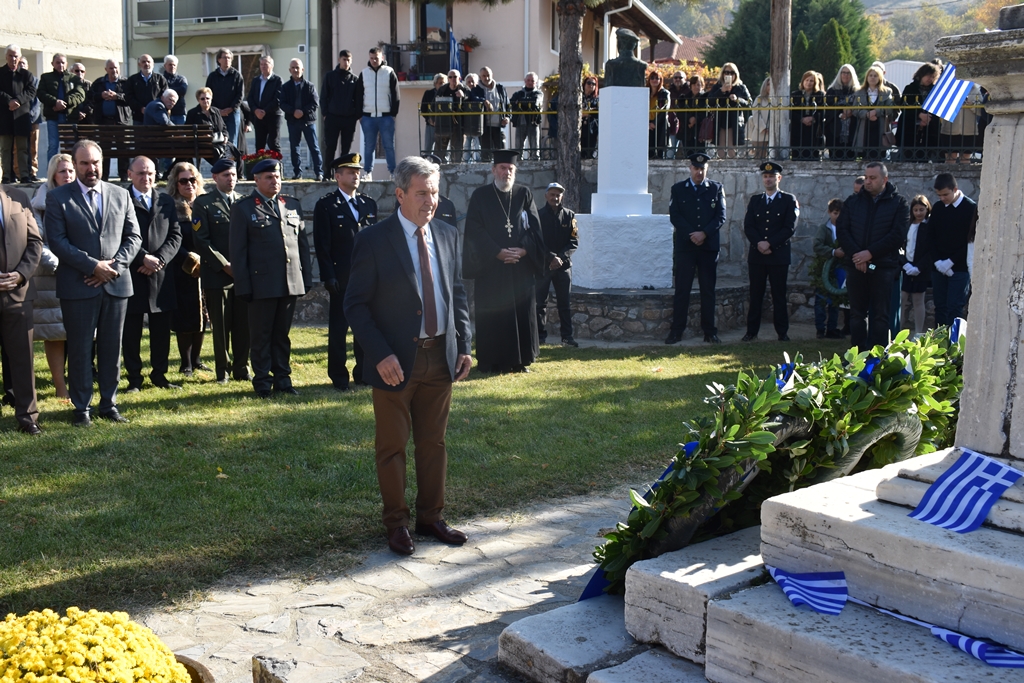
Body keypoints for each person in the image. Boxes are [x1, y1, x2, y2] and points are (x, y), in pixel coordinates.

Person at [343, 155, 472, 556]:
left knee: (434, 444)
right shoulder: (373, 240)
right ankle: (396, 523)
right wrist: (380, 354)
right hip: (395, 363)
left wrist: (465, 345)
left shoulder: (447, 234)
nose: (430, 201)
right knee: (392, 446)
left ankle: (431, 517)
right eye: (421, 193)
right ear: (400, 195)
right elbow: (355, 305)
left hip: (440, 357)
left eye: (434, 192)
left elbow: (457, 293)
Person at [46, 140, 141, 427]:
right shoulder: (58, 197)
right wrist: (92, 266)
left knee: (112, 347)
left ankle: (109, 404)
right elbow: (57, 241)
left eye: (96, 162)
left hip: (116, 284)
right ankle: (81, 408)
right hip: (79, 285)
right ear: (75, 165)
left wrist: (114, 268)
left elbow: (134, 237)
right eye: (85, 163)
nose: (91, 168)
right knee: (80, 348)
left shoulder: (120, 194)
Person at [229, 158, 312, 397]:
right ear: (256, 180)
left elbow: (301, 245)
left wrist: (305, 277)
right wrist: (243, 285)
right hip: (261, 284)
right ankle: (263, 381)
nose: (274, 181)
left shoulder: (291, 205)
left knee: (281, 336)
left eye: (277, 177)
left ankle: (283, 379)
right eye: (268, 177)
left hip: (289, 281)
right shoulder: (244, 208)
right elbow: (238, 251)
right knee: (261, 335)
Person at [462, 150, 544, 373]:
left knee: (520, 312)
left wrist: (524, 250)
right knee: (494, 314)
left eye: (510, 169)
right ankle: (491, 362)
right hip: (491, 269)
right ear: (493, 170)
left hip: (520, 268)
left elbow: (535, 228)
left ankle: (520, 361)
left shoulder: (524, 194)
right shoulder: (480, 196)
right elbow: (474, 230)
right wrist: (497, 252)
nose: (506, 172)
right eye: (502, 168)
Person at [313, 152, 379, 391]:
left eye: (358, 172)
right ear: (338, 176)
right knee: (339, 329)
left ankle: (363, 372)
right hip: (341, 277)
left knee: (366, 326)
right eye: (351, 172)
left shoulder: (368, 204)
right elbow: (322, 246)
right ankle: (339, 377)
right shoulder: (327, 205)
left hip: (367, 278)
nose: (356, 176)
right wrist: (328, 276)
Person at [836, 161, 910, 350]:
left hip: (882, 267)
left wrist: (869, 254)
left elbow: (897, 234)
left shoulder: (899, 203)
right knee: (857, 314)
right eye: (866, 177)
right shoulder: (853, 202)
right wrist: (857, 256)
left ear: (884, 179)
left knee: (880, 315)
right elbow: (843, 230)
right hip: (856, 265)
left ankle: (877, 357)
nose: (867, 182)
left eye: (872, 178)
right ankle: (857, 355)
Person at [122, 156, 182, 391]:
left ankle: (160, 375)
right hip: (132, 273)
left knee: (161, 331)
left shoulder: (165, 201)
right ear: (130, 174)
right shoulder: (121, 199)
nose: (146, 178)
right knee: (131, 331)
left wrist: (159, 260)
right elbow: (119, 235)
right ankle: (134, 378)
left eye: (150, 173)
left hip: (160, 275)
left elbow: (175, 235)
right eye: (140, 173)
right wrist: (142, 258)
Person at [192, 158, 250, 384]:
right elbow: (201, 240)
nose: (231, 179)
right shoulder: (204, 203)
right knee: (221, 326)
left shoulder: (244, 202)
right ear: (215, 177)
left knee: (244, 325)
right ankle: (222, 370)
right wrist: (225, 265)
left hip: (243, 275)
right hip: (217, 275)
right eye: (226, 175)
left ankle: (242, 367)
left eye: (233, 175)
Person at [665, 152, 726, 345]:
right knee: (682, 290)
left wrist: (704, 233)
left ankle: (710, 332)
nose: (699, 172)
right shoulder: (678, 189)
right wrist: (692, 234)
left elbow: (720, 216)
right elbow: (675, 215)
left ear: (707, 169)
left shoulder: (716, 188)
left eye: (702, 169)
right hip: (686, 246)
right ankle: (676, 332)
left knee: (708, 290)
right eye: (696, 168)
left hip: (708, 247)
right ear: (690, 168)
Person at [0, 163, 42, 434]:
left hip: (18, 293)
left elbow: (35, 242)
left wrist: (20, 275)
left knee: (23, 359)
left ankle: (28, 418)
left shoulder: (19, 197)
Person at [30, 153, 73, 400]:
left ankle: (79, 381)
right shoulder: (39, 202)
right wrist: (61, 263)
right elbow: (37, 239)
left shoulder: (81, 196)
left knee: (79, 332)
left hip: (80, 272)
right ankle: (60, 386)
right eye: (62, 171)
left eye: (71, 171)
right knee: (55, 333)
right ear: (52, 175)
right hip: (52, 275)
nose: (68, 175)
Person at [742, 161, 797, 342]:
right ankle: (751, 332)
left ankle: (782, 332)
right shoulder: (755, 200)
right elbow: (749, 226)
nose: (768, 179)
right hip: (757, 255)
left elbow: (789, 227)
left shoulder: (788, 200)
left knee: (779, 295)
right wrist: (759, 243)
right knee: (755, 295)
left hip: (778, 256)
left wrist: (770, 244)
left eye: (771, 176)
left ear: (779, 178)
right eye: (765, 176)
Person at [166, 162, 208, 376]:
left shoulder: (204, 203)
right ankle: (186, 363)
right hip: (181, 267)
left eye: (192, 180)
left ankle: (197, 359)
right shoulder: (170, 207)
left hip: (206, 266)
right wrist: (189, 258)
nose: (188, 184)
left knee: (203, 315)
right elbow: (169, 237)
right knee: (185, 316)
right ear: (176, 183)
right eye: (183, 181)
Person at [928, 173, 976, 326]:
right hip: (938, 267)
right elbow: (930, 237)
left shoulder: (970, 208)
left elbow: (970, 240)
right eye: (939, 195)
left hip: (960, 268)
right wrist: (937, 262)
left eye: (945, 194)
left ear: (955, 189)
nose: (942, 198)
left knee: (955, 307)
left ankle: (954, 341)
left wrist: (951, 262)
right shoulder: (938, 208)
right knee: (940, 307)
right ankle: (940, 341)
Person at [535, 182, 578, 347]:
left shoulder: (570, 216)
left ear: (562, 196)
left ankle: (567, 337)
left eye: (558, 195)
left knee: (564, 304)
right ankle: (540, 337)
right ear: (546, 196)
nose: (555, 197)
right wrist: (551, 257)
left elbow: (573, 242)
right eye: (552, 194)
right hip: (543, 266)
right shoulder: (538, 216)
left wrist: (560, 258)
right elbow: (536, 242)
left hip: (563, 267)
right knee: (540, 303)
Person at [356, 47, 400, 180]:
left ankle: (392, 173)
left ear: (382, 58)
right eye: (372, 58)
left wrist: (393, 114)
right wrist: (360, 115)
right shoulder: (364, 73)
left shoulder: (389, 72)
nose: (374, 60)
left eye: (376, 58)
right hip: (368, 117)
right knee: (369, 146)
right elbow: (358, 95)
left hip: (386, 116)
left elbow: (395, 94)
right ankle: (368, 173)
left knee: (389, 146)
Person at [87, 60, 131, 181]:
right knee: (104, 149)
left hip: (121, 121)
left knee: (123, 149)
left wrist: (117, 96)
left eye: (116, 68)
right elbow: (90, 97)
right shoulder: (98, 82)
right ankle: (103, 176)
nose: (114, 70)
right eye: (111, 68)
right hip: (103, 121)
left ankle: (124, 175)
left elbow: (131, 98)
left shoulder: (125, 82)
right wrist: (101, 95)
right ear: (106, 69)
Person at [280, 59, 323, 181]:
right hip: (293, 121)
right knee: (294, 148)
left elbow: (315, 103)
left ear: (302, 69)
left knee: (314, 147)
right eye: (293, 68)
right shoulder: (285, 87)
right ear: (289, 70)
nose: (295, 70)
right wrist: (293, 111)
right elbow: (282, 103)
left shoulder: (310, 86)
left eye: (297, 67)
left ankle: (319, 173)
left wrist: (302, 111)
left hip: (308, 121)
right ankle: (297, 173)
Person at [38, 53, 86, 163]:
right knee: (53, 145)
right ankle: (52, 170)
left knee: (70, 146)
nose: (60, 65)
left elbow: (80, 95)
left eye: (63, 63)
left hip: (70, 117)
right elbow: (41, 93)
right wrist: (55, 102)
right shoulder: (46, 77)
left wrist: (64, 103)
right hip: (53, 117)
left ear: (66, 64)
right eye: (58, 62)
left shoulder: (74, 78)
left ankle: (71, 169)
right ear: (52, 64)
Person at [1, 45, 37, 184]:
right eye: (10, 56)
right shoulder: (1, 73)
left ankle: (24, 175)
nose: (13, 59)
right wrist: (8, 101)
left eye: (16, 56)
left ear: (19, 57)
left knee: (23, 148)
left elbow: (31, 91)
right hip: (5, 116)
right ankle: (7, 175)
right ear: (6, 57)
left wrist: (18, 101)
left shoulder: (26, 75)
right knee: (6, 148)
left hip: (21, 116)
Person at [320, 50, 361, 167]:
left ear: (351, 61)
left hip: (349, 118)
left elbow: (358, 99)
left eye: (348, 60)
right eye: (344, 60)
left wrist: (356, 115)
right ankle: (328, 172)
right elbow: (324, 96)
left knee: (346, 148)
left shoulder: (355, 79)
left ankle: (343, 172)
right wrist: (325, 113)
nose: (346, 62)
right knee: (330, 146)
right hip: (332, 117)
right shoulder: (330, 76)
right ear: (339, 60)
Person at [812, 198, 846, 339]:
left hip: (840, 269)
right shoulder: (824, 229)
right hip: (824, 268)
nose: (837, 217)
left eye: (840, 214)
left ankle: (832, 328)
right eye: (835, 213)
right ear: (829, 212)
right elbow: (817, 245)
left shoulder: (846, 229)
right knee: (821, 299)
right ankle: (820, 328)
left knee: (836, 298)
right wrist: (832, 252)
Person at [898, 62, 942, 163]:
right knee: (908, 156)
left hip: (930, 128)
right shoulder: (910, 88)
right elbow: (904, 106)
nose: (930, 79)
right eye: (928, 75)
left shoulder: (935, 90)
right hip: (910, 128)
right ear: (921, 74)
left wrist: (928, 118)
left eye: (933, 77)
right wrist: (919, 115)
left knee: (926, 156)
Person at [901, 195, 932, 336]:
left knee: (918, 300)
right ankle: (898, 330)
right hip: (906, 267)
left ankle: (918, 333)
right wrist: (905, 264)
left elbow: (930, 250)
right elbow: (901, 246)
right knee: (902, 299)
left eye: (921, 210)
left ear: (927, 209)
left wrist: (919, 267)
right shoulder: (907, 225)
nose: (918, 213)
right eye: (916, 210)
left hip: (921, 269)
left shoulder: (929, 226)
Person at [706, 62, 750, 158]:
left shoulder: (741, 87)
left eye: (732, 72)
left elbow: (749, 103)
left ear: (736, 74)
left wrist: (737, 99)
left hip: (734, 122)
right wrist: (721, 91)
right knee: (720, 151)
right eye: (726, 72)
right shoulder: (717, 86)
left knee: (732, 152)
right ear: (723, 74)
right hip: (720, 121)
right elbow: (709, 101)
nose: (729, 75)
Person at [850, 65, 894, 160]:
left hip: (880, 126)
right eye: (870, 75)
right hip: (864, 126)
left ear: (880, 78)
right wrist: (867, 114)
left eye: (875, 76)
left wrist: (876, 112)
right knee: (865, 154)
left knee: (878, 153)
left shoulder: (887, 92)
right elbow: (854, 110)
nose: (872, 78)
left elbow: (890, 108)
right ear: (867, 77)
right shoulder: (859, 92)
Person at [206, 49, 244, 147]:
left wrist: (231, 108)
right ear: (219, 59)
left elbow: (240, 95)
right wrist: (217, 110)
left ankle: (231, 158)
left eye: (229, 58)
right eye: (225, 57)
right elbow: (208, 94)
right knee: (218, 140)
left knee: (232, 142)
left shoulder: (237, 75)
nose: (227, 60)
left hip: (232, 113)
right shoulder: (212, 76)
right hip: (217, 113)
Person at [246, 55, 283, 154]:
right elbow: (250, 98)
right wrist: (255, 110)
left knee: (274, 143)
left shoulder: (277, 80)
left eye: (265, 64)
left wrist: (264, 111)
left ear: (272, 65)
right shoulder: (256, 80)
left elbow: (277, 99)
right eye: (261, 64)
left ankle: (276, 163)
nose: (263, 66)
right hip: (258, 117)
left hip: (273, 116)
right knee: (259, 145)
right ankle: (259, 164)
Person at [432, 69, 470, 162]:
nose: (453, 79)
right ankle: (437, 166)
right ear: (448, 79)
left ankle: (456, 168)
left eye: (455, 77)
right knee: (439, 150)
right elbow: (434, 104)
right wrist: (433, 118)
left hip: (458, 124)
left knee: (457, 151)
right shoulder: (442, 89)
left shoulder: (465, 89)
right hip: (443, 123)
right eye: (450, 77)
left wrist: (463, 96)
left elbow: (470, 103)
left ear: (460, 78)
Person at [185, 87, 229, 164]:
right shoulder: (192, 113)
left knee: (235, 151)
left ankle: (232, 170)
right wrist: (203, 136)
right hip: (202, 144)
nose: (205, 100)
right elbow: (188, 131)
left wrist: (225, 136)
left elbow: (224, 128)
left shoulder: (216, 111)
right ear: (198, 100)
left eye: (207, 98)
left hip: (219, 142)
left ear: (211, 99)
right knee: (217, 152)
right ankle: (220, 169)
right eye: (202, 99)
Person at [824, 65, 859, 161]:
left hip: (852, 129)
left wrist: (851, 112)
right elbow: (827, 110)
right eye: (843, 72)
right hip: (835, 130)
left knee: (851, 158)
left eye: (848, 73)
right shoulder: (832, 90)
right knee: (835, 157)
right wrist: (840, 112)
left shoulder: (857, 91)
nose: (845, 75)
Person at [790, 71, 825, 160]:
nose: (809, 83)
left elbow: (822, 111)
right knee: (797, 154)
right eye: (807, 80)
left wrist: (812, 118)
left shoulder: (819, 95)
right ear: (803, 81)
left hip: (813, 128)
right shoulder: (795, 95)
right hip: (798, 128)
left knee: (812, 154)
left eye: (811, 81)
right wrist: (801, 119)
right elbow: (791, 111)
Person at [477, 67, 510, 161]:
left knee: (501, 151)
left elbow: (507, 105)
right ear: (480, 77)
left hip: (499, 125)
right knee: (486, 153)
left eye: (488, 75)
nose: (486, 78)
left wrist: (508, 117)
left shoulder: (500, 88)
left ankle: (502, 166)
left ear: (492, 75)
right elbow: (474, 98)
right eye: (484, 76)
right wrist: (484, 101)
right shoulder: (477, 89)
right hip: (485, 126)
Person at [125, 54, 167, 125]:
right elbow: (129, 97)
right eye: (143, 62)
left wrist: (154, 108)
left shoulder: (160, 79)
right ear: (139, 64)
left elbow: (164, 96)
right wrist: (140, 108)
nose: (146, 64)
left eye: (148, 62)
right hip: (138, 117)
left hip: (156, 117)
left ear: (153, 64)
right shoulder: (132, 80)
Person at [510, 73, 543, 161]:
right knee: (518, 148)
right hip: (520, 122)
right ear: (525, 81)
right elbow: (512, 103)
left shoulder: (539, 93)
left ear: (536, 82)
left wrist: (520, 102)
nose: (530, 82)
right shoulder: (518, 93)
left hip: (533, 122)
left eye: (532, 81)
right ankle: (518, 164)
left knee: (534, 148)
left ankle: (535, 164)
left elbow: (535, 103)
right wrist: (525, 103)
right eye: (528, 80)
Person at [681, 75, 707, 157]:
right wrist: (689, 120)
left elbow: (706, 112)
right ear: (690, 86)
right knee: (688, 155)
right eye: (694, 84)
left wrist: (696, 118)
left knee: (701, 155)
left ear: (702, 86)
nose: (696, 87)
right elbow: (680, 113)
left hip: (701, 131)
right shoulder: (684, 98)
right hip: (688, 131)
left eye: (698, 84)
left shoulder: (706, 97)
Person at [420, 73, 447, 157]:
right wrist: (429, 119)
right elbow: (423, 109)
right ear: (435, 84)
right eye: (440, 83)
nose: (442, 85)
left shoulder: (447, 94)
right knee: (428, 148)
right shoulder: (428, 93)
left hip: (444, 126)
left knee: (443, 149)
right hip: (431, 125)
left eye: (444, 83)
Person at [647, 71, 671, 160]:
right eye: (652, 78)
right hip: (647, 125)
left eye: (657, 78)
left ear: (661, 80)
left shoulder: (665, 93)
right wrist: (647, 124)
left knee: (659, 152)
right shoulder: (645, 92)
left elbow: (665, 109)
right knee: (648, 151)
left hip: (659, 124)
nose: (654, 80)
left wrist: (654, 123)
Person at [666, 71, 689, 159]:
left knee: (688, 153)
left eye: (680, 77)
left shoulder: (689, 91)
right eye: (676, 77)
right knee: (670, 152)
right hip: (672, 124)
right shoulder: (669, 91)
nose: (678, 79)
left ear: (685, 79)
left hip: (686, 125)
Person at [462, 73, 484, 162]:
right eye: (468, 82)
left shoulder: (480, 90)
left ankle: (478, 159)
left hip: (477, 121)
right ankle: (466, 160)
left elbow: (478, 99)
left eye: (472, 81)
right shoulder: (464, 91)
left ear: (477, 82)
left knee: (477, 141)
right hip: (467, 120)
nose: (471, 84)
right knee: (467, 141)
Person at [749, 76, 772, 160]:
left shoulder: (780, 99)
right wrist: (763, 127)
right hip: (761, 133)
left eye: (772, 84)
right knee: (759, 159)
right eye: (768, 84)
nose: (770, 86)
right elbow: (756, 114)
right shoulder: (759, 99)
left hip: (775, 133)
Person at [162, 55, 188, 125]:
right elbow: (160, 92)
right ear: (165, 66)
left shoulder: (181, 79)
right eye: (170, 65)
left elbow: (183, 90)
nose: (172, 67)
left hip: (180, 113)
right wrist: (175, 90)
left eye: (174, 65)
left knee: (181, 132)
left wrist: (167, 90)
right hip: (164, 113)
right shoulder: (161, 79)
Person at [581, 76, 599, 159]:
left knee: (591, 151)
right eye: (589, 83)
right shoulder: (579, 97)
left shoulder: (596, 99)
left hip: (591, 128)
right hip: (580, 128)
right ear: (584, 84)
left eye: (593, 84)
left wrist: (588, 112)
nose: (591, 85)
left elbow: (598, 111)